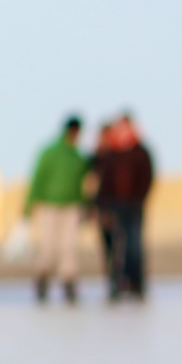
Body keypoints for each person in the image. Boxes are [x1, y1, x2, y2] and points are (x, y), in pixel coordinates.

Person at [22, 116, 89, 303]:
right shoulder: (50, 153)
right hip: (49, 205)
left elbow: (85, 183)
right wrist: (29, 204)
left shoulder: (78, 156)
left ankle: (69, 281)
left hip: (72, 206)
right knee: (49, 245)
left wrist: (85, 205)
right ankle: (42, 278)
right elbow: (38, 178)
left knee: (68, 246)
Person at [90, 113, 155, 301]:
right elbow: (102, 180)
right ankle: (116, 283)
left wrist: (140, 199)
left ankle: (136, 283)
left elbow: (147, 178)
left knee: (134, 246)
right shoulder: (111, 152)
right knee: (115, 247)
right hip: (114, 207)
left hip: (134, 206)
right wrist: (102, 206)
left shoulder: (141, 151)